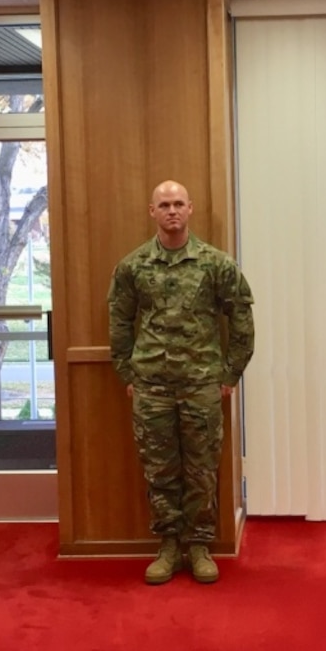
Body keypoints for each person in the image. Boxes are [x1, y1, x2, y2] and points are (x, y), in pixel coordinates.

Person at [107, 180, 255, 585]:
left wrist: (230, 373)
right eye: (164, 205)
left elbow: (240, 318)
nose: (172, 211)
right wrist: (127, 372)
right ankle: (169, 545)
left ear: (190, 209)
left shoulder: (216, 265)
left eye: (178, 204)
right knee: (160, 470)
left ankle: (199, 545)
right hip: (151, 386)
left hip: (201, 385)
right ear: (152, 212)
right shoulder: (133, 266)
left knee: (203, 469)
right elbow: (119, 321)